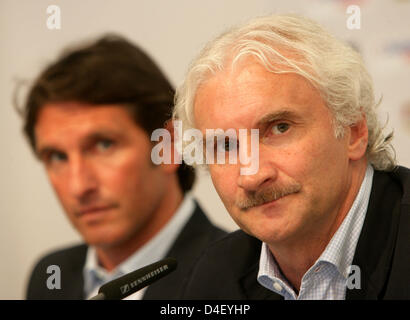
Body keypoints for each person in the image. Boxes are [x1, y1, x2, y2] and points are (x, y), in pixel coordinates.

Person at [173, 14, 410, 299]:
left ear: (354, 131)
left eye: (279, 128)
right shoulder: (217, 276)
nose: (252, 176)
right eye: (225, 146)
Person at [21, 35, 226, 300]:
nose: (79, 186)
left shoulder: (239, 278)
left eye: (104, 145)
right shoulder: (49, 277)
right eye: (58, 157)